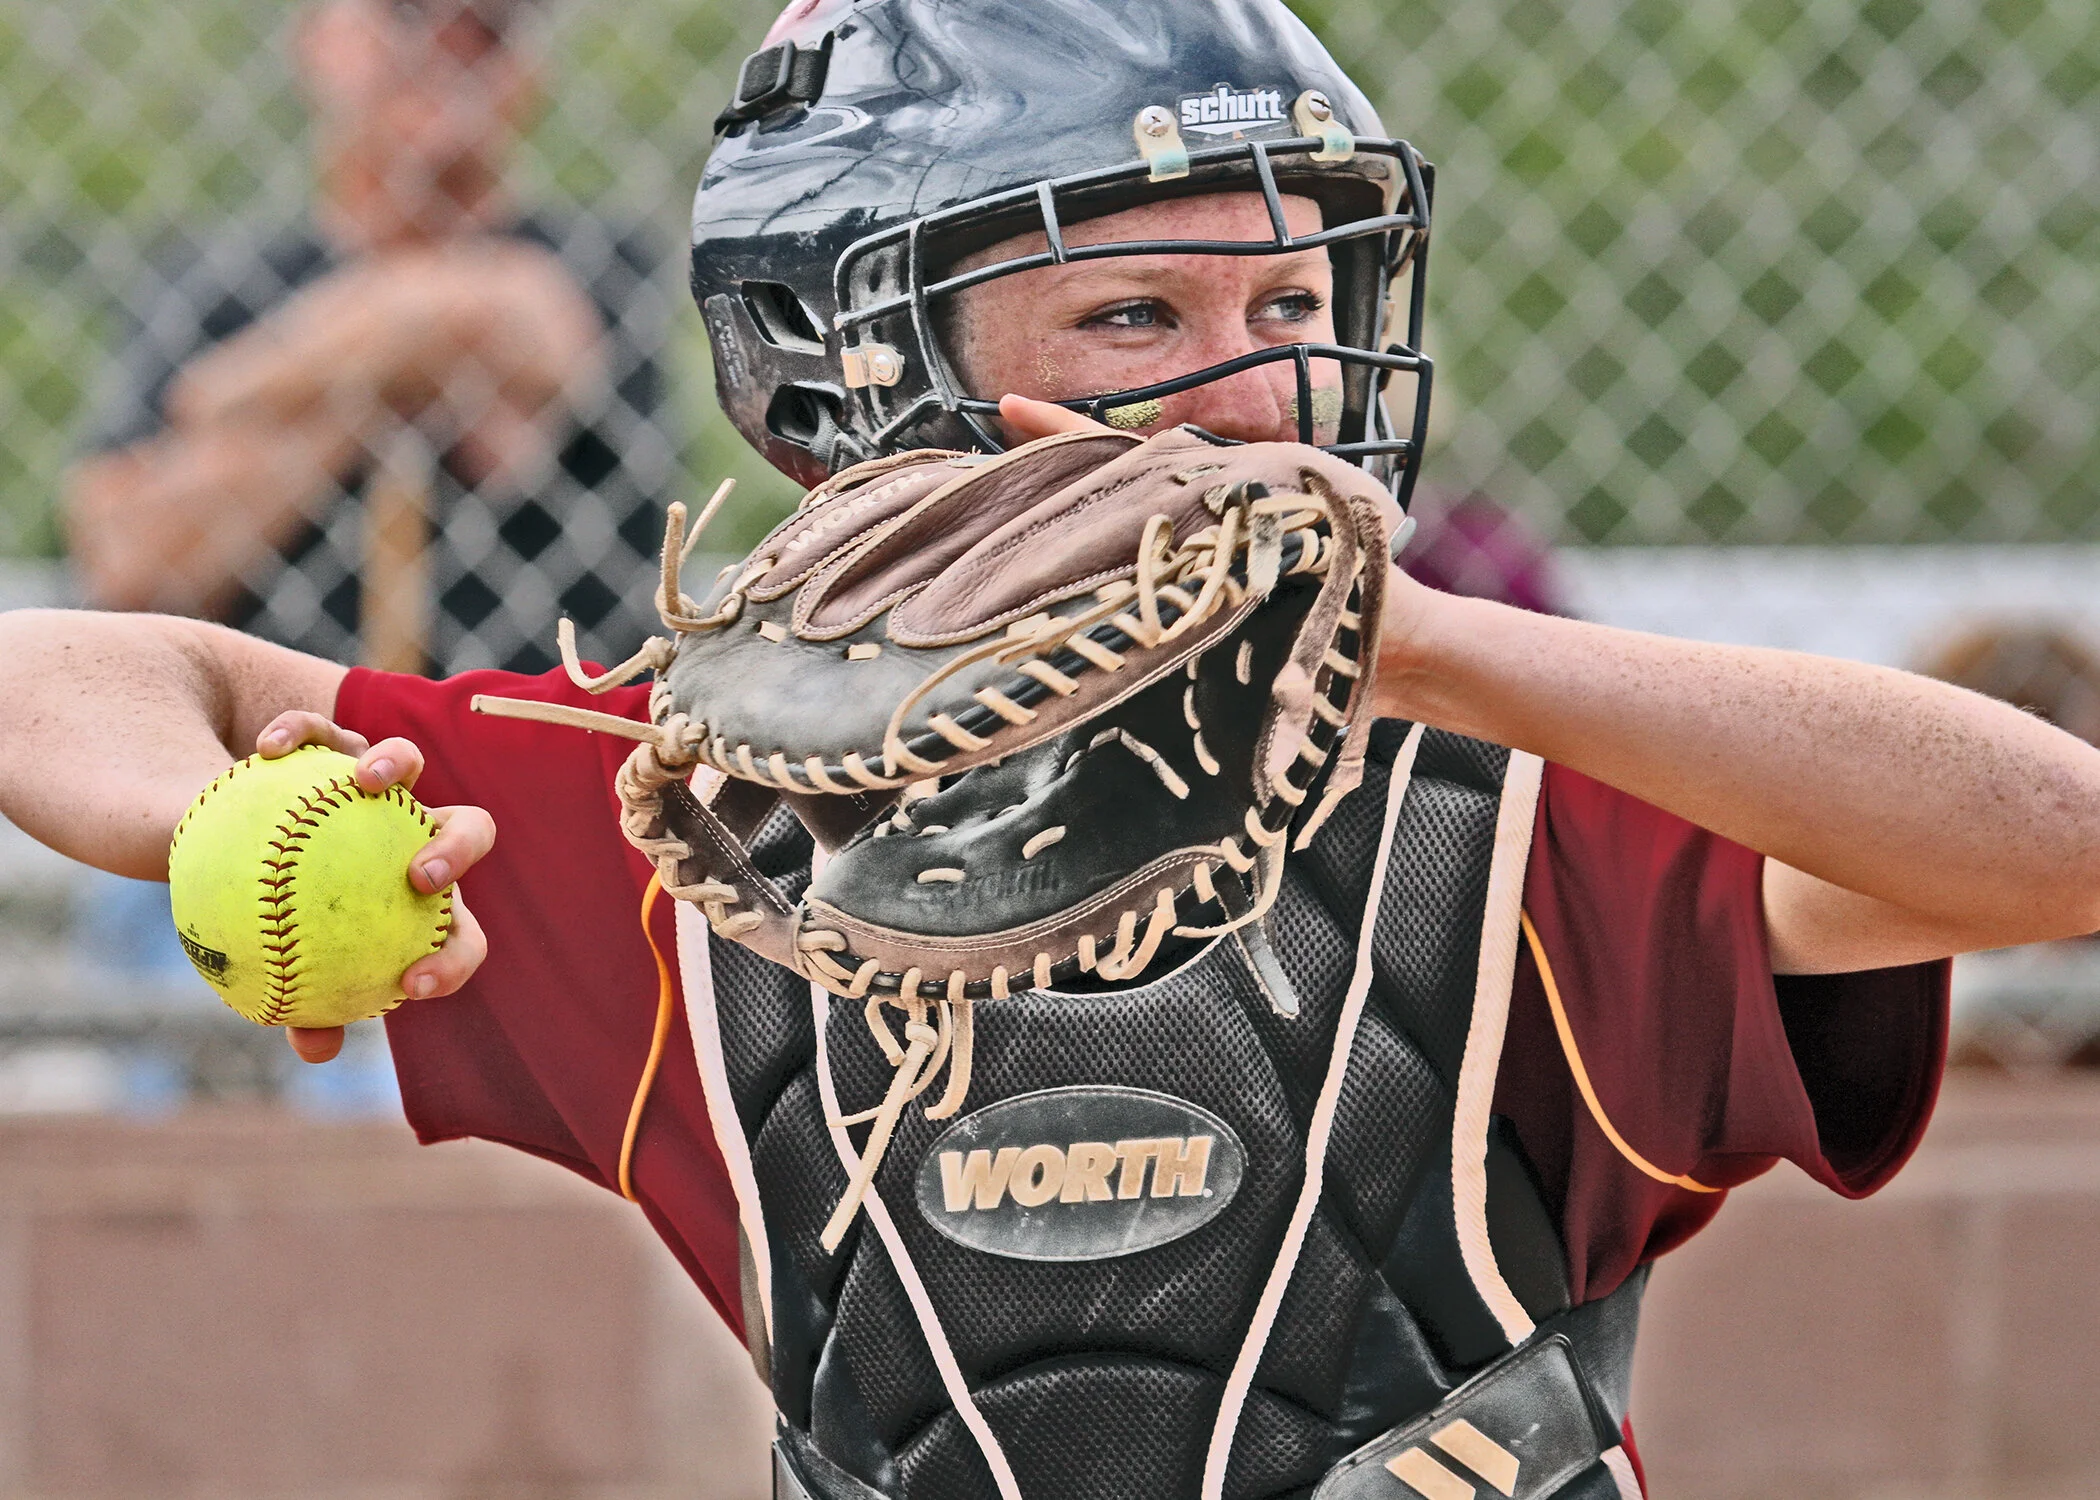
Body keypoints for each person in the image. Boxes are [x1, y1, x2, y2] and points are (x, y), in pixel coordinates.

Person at [3, 2, 2098, 1496]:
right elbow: (68, 674)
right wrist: (223, 806)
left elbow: (2061, 847)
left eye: (1295, 301)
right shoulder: (704, 815)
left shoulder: (1513, 794)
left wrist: (1439, 651)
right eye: (1134, 321)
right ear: (854, 371)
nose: (1257, 394)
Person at [64, 0, 674, 677]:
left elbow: (514, 329)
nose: (446, 48)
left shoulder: (601, 260)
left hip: (546, 729)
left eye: (489, 31)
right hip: (280, 747)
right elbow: (128, 563)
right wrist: (390, 373)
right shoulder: (211, 283)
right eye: (406, 16)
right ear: (317, 43)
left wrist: (238, 393)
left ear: (530, 74)